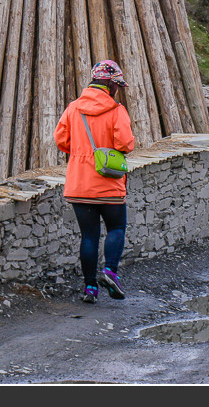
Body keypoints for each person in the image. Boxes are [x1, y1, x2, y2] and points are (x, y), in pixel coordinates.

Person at [53, 60, 136, 303]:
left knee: (88, 236)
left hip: (79, 183)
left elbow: (61, 140)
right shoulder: (116, 109)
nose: (117, 89)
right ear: (111, 84)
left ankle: (90, 289)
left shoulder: (73, 108)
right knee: (117, 228)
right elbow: (125, 144)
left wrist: (80, 151)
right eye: (117, 85)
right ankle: (110, 271)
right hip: (108, 183)